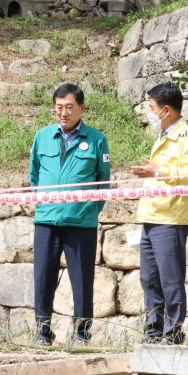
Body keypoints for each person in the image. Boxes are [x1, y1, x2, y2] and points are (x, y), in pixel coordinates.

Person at [29, 83, 111, 346]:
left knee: (82, 281)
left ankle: (81, 333)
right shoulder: (42, 137)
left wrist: (87, 210)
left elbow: (102, 183)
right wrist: (44, 204)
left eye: (69, 107)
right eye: (59, 108)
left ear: (82, 108)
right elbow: (34, 176)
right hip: (47, 221)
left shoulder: (96, 139)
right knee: (43, 278)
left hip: (81, 223)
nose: (63, 113)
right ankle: (42, 331)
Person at [130, 82, 188, 345]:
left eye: (152, 107)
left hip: (170, 217)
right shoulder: (163, 134)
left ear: (166, 110)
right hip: (151, 215)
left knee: (170, 278)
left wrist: (158, 172)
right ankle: (153, 329)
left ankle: (172, 331)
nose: (150, 112)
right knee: (148, 278)